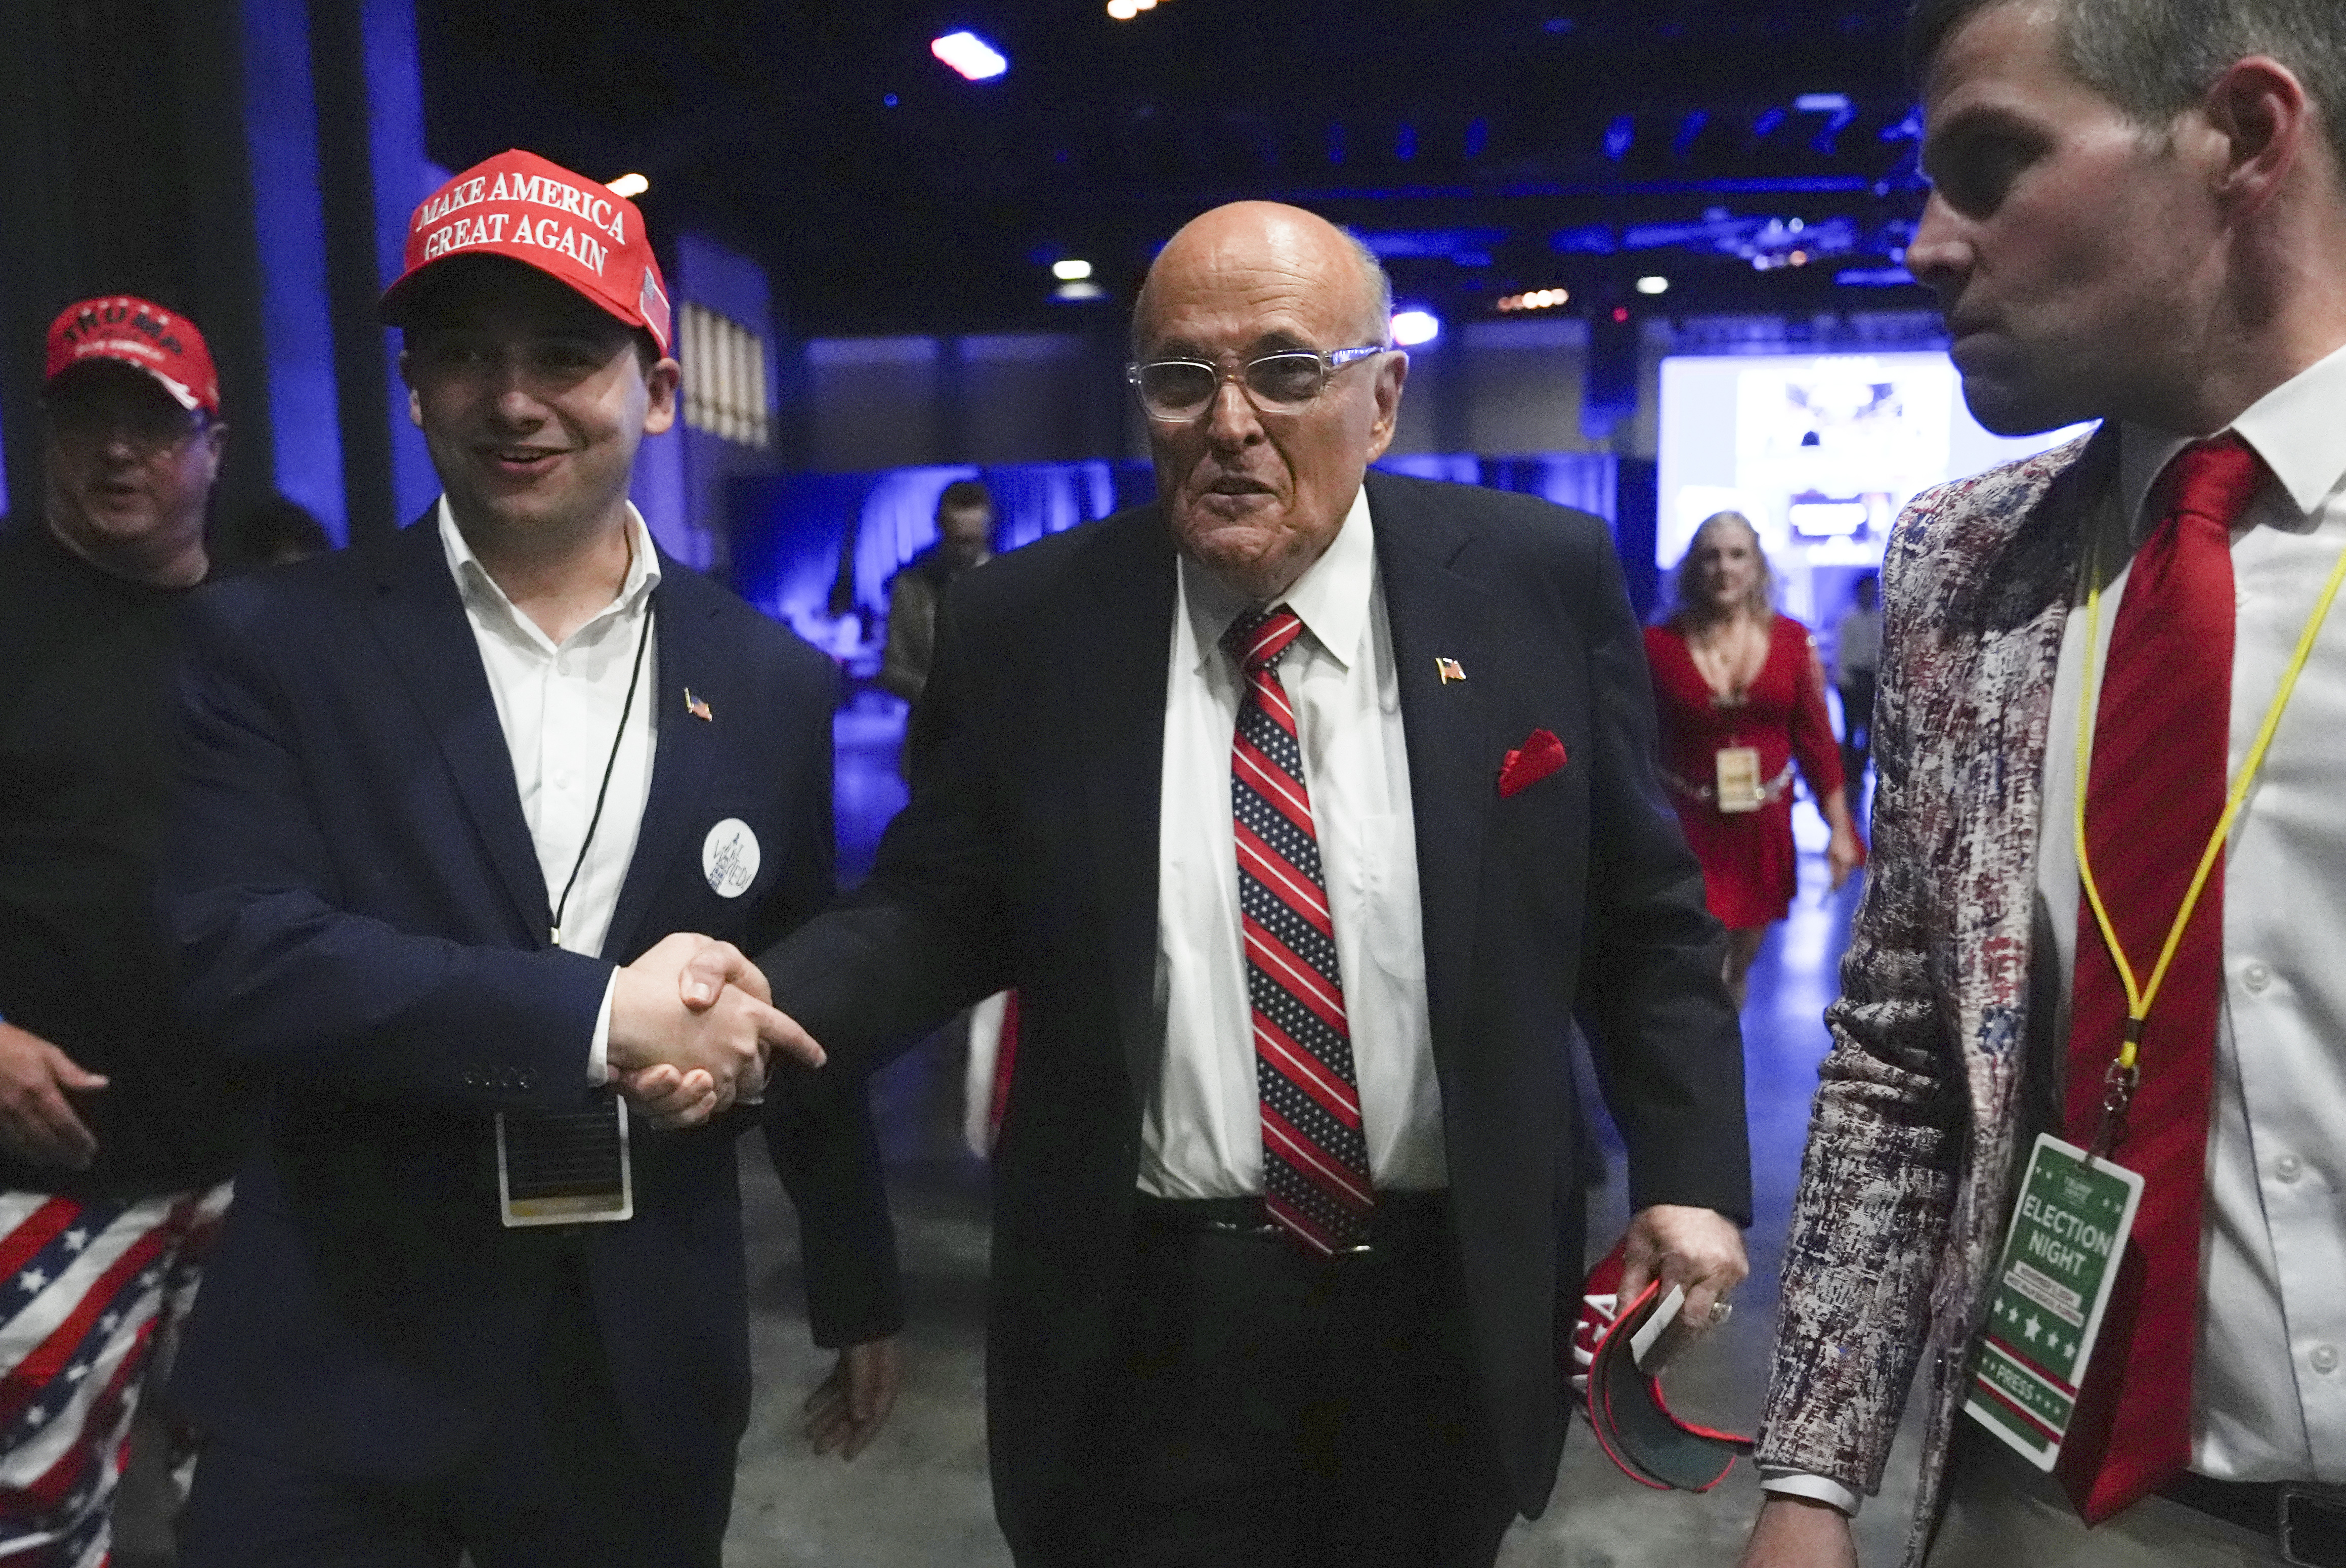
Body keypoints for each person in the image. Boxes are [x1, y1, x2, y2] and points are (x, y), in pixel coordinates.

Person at [734, 200, 1752, 1567]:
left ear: (1381, 398)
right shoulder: (1032, 625)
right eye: (1180, 378)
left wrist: (1688, 1171)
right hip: (1144, 1316)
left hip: (1445, 1304)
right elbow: (934, 902)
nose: (1229, 422)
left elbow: (1642, 919)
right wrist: (756, 999)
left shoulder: (1531, 585)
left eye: (1285, 369)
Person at [158, 149, 902, 1567]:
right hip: (337, 1362)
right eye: (465, 357)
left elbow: (799, 991)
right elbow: (239, 953)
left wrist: (855, 1280)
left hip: (635, 1368)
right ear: (414, 385)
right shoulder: (276, 644)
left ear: (659, 389)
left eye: (566, 354)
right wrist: (594, 1019)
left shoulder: (769, 682)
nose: (515, 400)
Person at [1740, 2, 2346, 1565]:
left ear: (2241, 139)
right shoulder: (1969, 565)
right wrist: (1808, 1478)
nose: (1929, 245)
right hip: (2070, 1503)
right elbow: (1899, 1056)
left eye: (1990, 166)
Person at [0, 296, 243, 1565]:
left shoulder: (264, 634)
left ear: (213, 444)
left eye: (151, 424)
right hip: (44, 1182)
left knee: (271, 1504)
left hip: (249, 1168)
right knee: (33, 1524)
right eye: (84, 417)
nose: (115, 451)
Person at [1644, 513, 1862, 1007]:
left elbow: (1816, 742)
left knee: (1735, 970)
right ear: (1693, 567)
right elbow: (1635, 742)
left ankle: (1721, 1073)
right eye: (1711, 555)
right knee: (1689, 969)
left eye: (1737, 554)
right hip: (1685, 830)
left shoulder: (1790, 641)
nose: (1724, 567)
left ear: (1757, 565)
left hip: (1761, 830)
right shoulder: (1658, 647)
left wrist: (1840, 831)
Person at [879, 478, 995, 778]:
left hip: (997, 747)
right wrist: (951, 698)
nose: (965, 550)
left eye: (972, 540)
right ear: (941, 528)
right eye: (958, 540)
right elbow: (894, 670)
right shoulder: (912, 588)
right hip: (932, 745)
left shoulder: (1010, 583)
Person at [1832, 572, 1882, 814]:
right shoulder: (1848, 620)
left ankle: (1859, 771)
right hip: (1853, 681)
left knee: (1871, 732)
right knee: (1852, 730)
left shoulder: (1878, 618)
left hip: (1871, 679)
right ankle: (1851, 775)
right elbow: (1842, 653)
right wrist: (1844, 682)